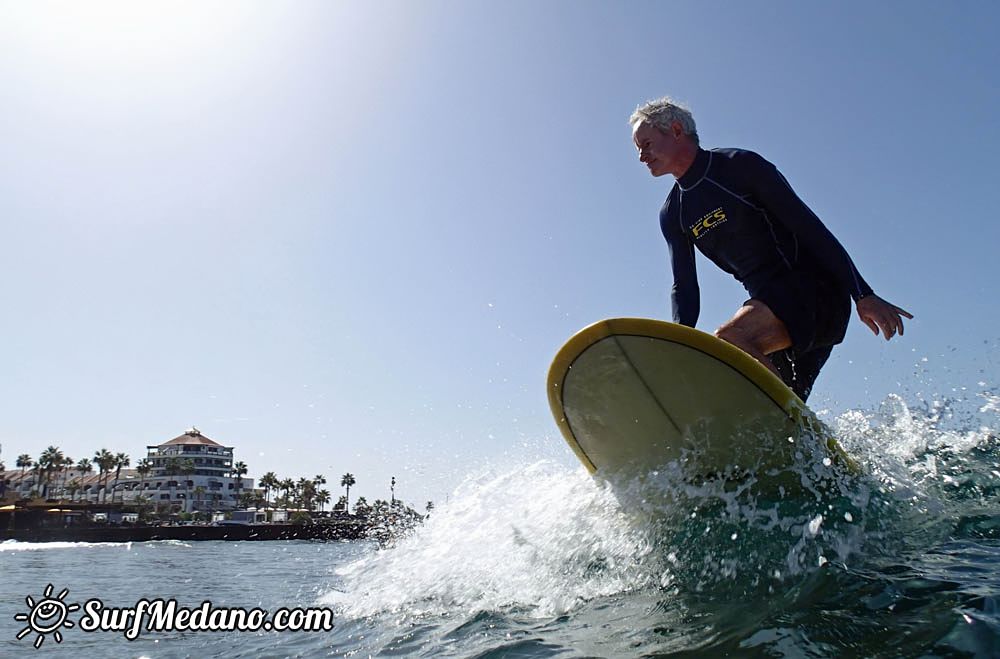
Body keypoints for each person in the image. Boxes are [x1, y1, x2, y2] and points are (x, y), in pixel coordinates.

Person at [630, 97, 912, 401]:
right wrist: (679, 342)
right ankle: (804, 444)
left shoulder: (739, 167)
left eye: (646, 144)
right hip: (771, 311)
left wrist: (862, 293)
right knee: (759, 405)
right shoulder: (674, 213)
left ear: (675, 130)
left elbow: (809, 227)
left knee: (729, 340)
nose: (642, 156)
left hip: (815, 293)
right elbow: (685, 287)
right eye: (637, 149)